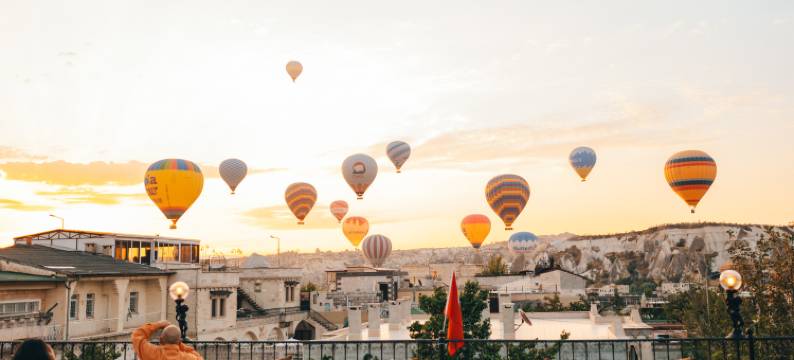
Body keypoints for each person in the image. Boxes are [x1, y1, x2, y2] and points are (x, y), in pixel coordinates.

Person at [132, 320, 202, 360]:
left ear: (161, 340)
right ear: (179, 342)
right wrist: (178, 343)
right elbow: (198, 356)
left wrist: (158, 324)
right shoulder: (189, 358)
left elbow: (137, 335)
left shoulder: (151, 353)